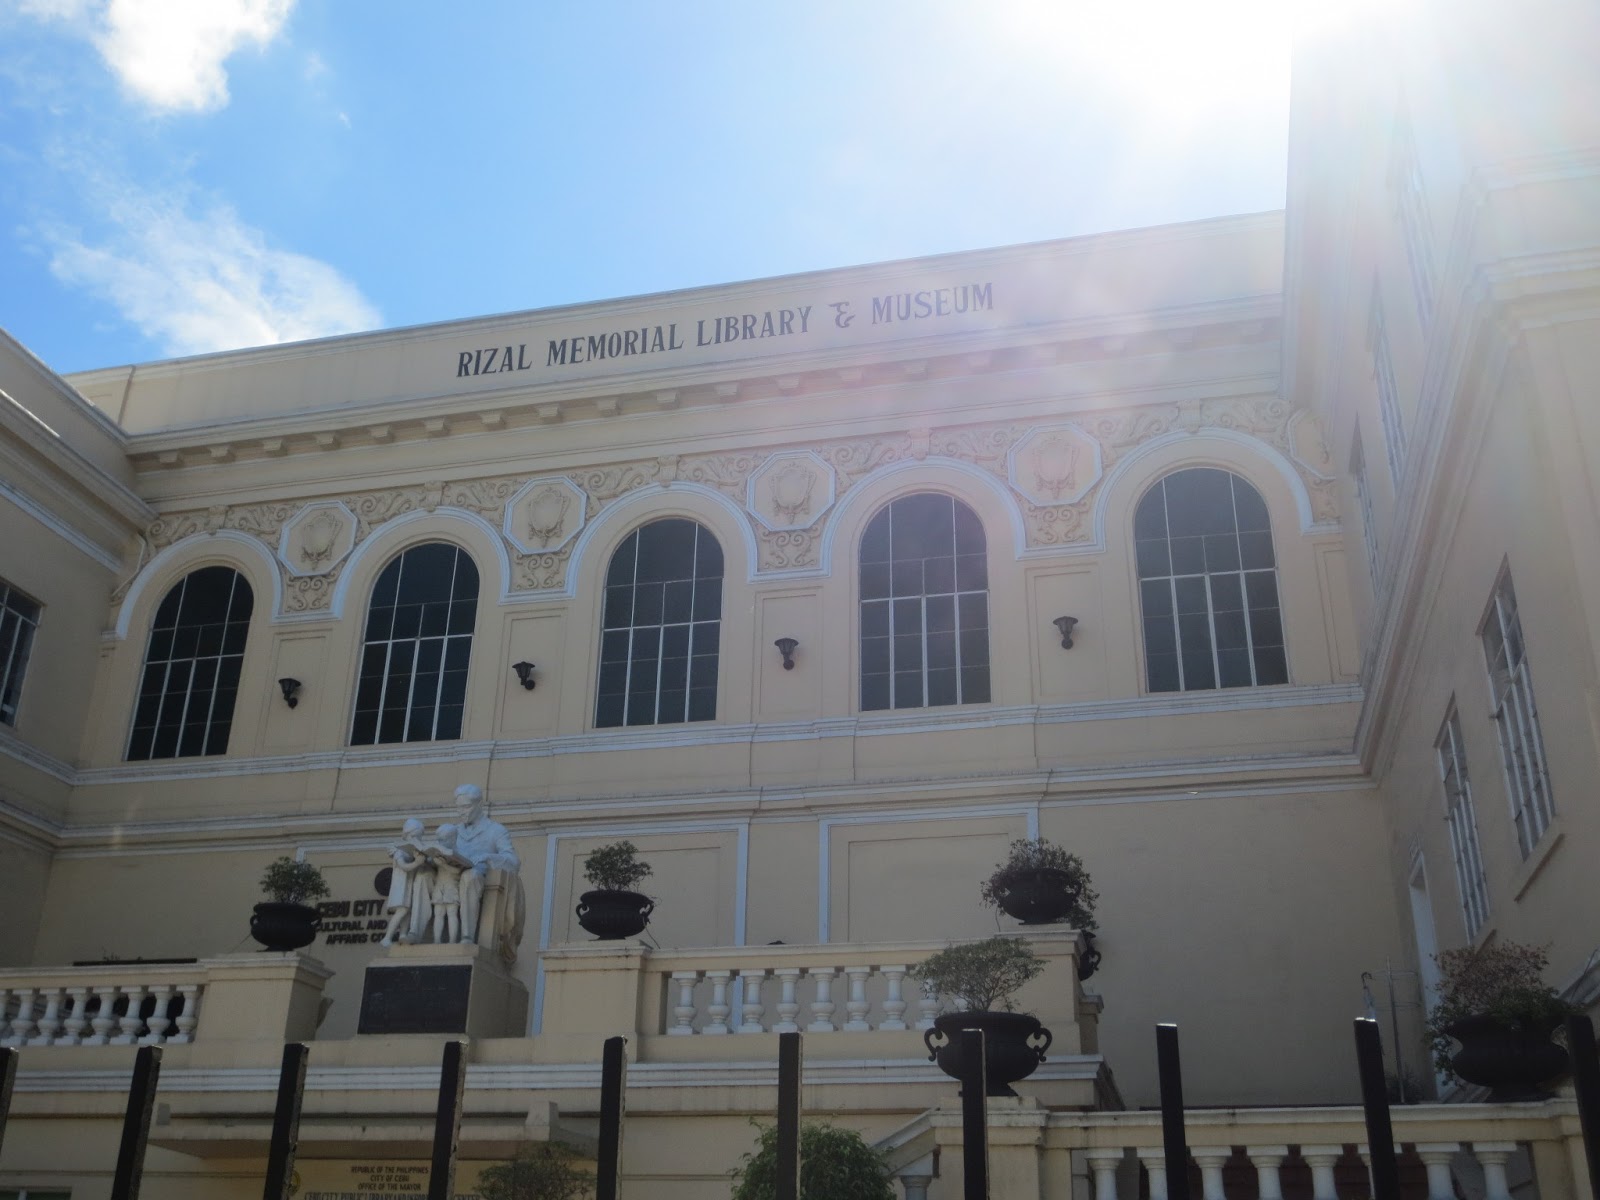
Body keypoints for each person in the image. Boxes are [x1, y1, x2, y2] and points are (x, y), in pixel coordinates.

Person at [451, 784, 525, 956]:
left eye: (466, 807)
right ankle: (411, 932)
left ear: (479, 805)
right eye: (458, 807)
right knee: (423, 877)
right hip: (451, 877)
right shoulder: (453, 831)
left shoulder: (495, 830)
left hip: (479, 879)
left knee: (471, 876)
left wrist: (488, 857)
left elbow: (513, 862)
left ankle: (467, 936)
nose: (462, 812)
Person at [379, 818, 431, 947]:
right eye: (414, 836)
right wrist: (417, 862)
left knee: (407, 911)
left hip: (408, 885)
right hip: (400, 886)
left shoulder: (411, 851)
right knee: (402, 911)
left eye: (419, 837)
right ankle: (387, 937)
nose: (417, 839)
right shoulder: (399, 851)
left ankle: (403, 935)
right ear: (407, 834)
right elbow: (404, 866)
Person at [429, 824, 465, 945]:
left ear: (452, 839)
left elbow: (458, 871)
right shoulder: (438, 852)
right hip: (440, 886)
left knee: (452, 913)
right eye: (438, 839)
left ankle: (452, 941)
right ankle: (437, 940)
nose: (440, 842)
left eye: (443, 840)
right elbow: (431, 865)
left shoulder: (458, 852)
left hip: (452, 887)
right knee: (438, 913)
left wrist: (443, 864)